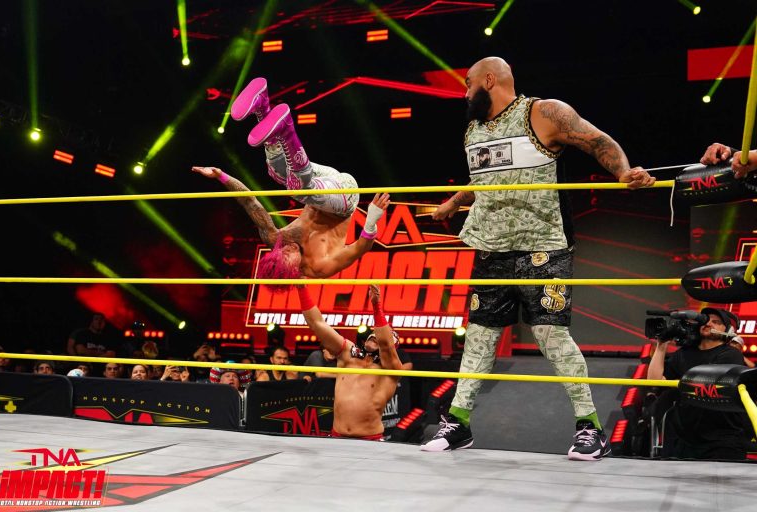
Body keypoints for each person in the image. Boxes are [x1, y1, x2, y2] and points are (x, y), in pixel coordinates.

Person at [423, 56, 656, 460]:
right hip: (492, 247)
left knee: (551, 335)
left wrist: (622, 173)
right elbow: (486, 179)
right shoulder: (473, 131)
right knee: (479, 336)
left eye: (468, 84)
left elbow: (598, 141)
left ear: (489, 80)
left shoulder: (543, 113)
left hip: (543, 245)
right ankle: (458, 423)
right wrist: (455, 201)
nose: (464, 93)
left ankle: (590, 428)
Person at [192, 77, 390, 292]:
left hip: (319, 185)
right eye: (289, 255)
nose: (288, 248)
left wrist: (221, 176)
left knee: (278, 174)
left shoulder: (275, 240)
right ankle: (286, 129)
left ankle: (262, 107)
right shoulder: (320, 267)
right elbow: (361, 248)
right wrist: (372, 218)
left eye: (282, 251)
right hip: (345, 197)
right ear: (296, 272)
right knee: (297, 188)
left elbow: (249, 202)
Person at [298, 284, 403, 439]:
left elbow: (386, 345)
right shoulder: (348, 353)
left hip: (370, 439)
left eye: (379, 336)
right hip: (337, 436)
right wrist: (301, 288)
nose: (375, 336)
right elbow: (317, 324)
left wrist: (376, 305)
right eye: (373, 334)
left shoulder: (391, 370)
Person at [647, 308, 749, 460]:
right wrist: (661, 346)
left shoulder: (731, 354)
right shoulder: (683, 353)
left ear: (728, 330)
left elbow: (709, 385)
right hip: (685, 438)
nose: (708, 323)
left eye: (716, 322)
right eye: (705, 319)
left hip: (722, 439)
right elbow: (654, 381)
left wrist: (681, 383)